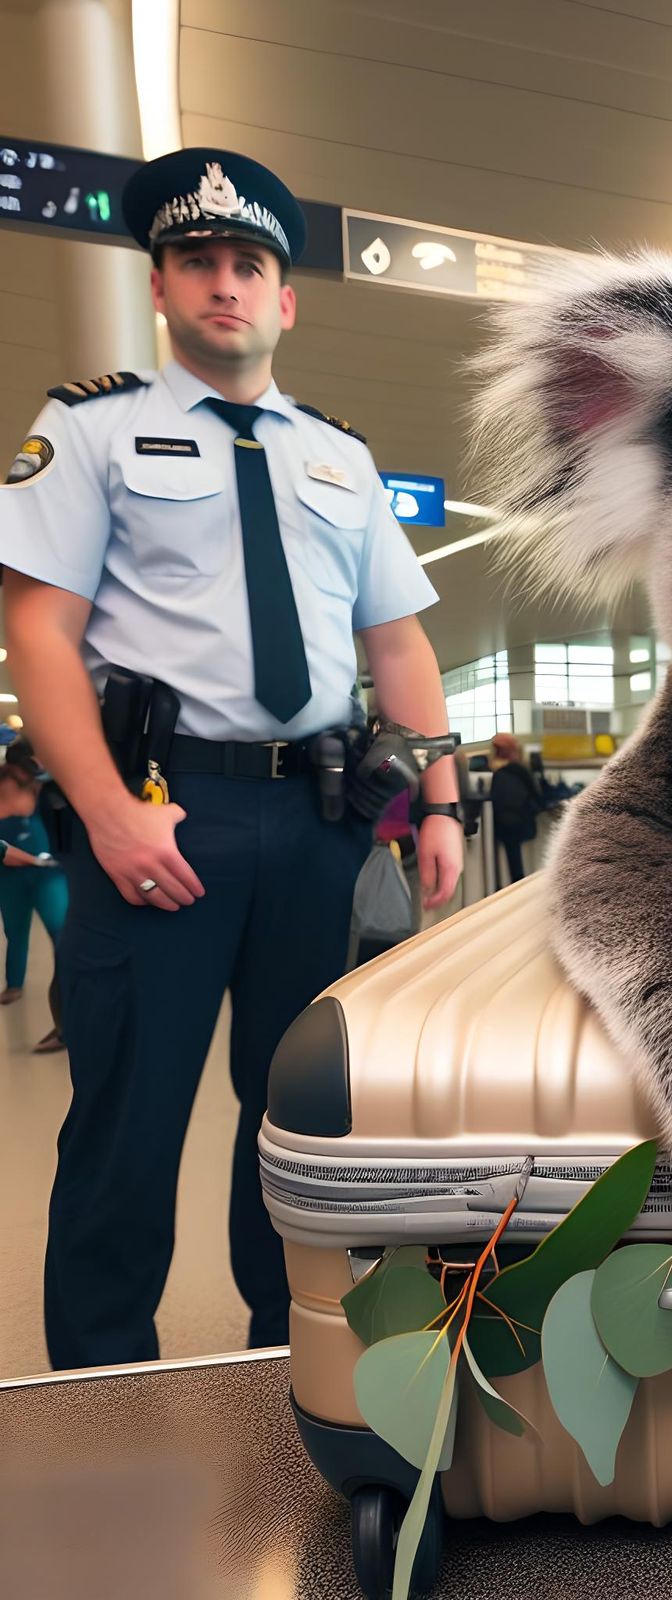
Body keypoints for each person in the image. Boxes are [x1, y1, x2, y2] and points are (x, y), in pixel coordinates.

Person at [0, 147, 465, 1367]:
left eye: (249, 265)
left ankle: (295, 1352)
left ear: (285, 298)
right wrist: (101, 812)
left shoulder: (340, 456)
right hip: (160, 815)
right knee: (128, 1117)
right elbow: (39, 632)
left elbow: (399, 645)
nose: (227, 284)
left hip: (318, 824)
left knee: (301, 1119)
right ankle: (100, 1379)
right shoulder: (92, 428)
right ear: (161, 288)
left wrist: (440, 800)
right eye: (199, 262)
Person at [0, 763, 69, 1051]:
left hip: (48, 876)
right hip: (14, 878)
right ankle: (14, 984)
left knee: (65, 941)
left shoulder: (50, 796)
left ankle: (71, 1027)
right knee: (16, 931)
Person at [488, 731, 542, 884]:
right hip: (522, 821)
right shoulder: (521, 770)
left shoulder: (500, 774)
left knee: (515, 867)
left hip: (508, 824)